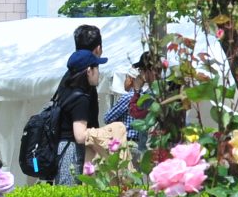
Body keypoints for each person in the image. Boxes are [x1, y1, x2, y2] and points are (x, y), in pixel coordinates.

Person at [51, 48, 107, 185]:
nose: (98, 73)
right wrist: (106, 133)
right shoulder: (81, 99)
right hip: (71, 152)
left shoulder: (66, 91)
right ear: (89, 71)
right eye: (97, 68)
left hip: (62, 149)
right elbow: (80, 135)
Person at [102, 50, 162, 151]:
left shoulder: (149, 95)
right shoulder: (153, 92)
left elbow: (108, 118)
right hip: (144, 145)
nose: (140, 72)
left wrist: (137, 90)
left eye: (141, 69)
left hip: (139, 146)